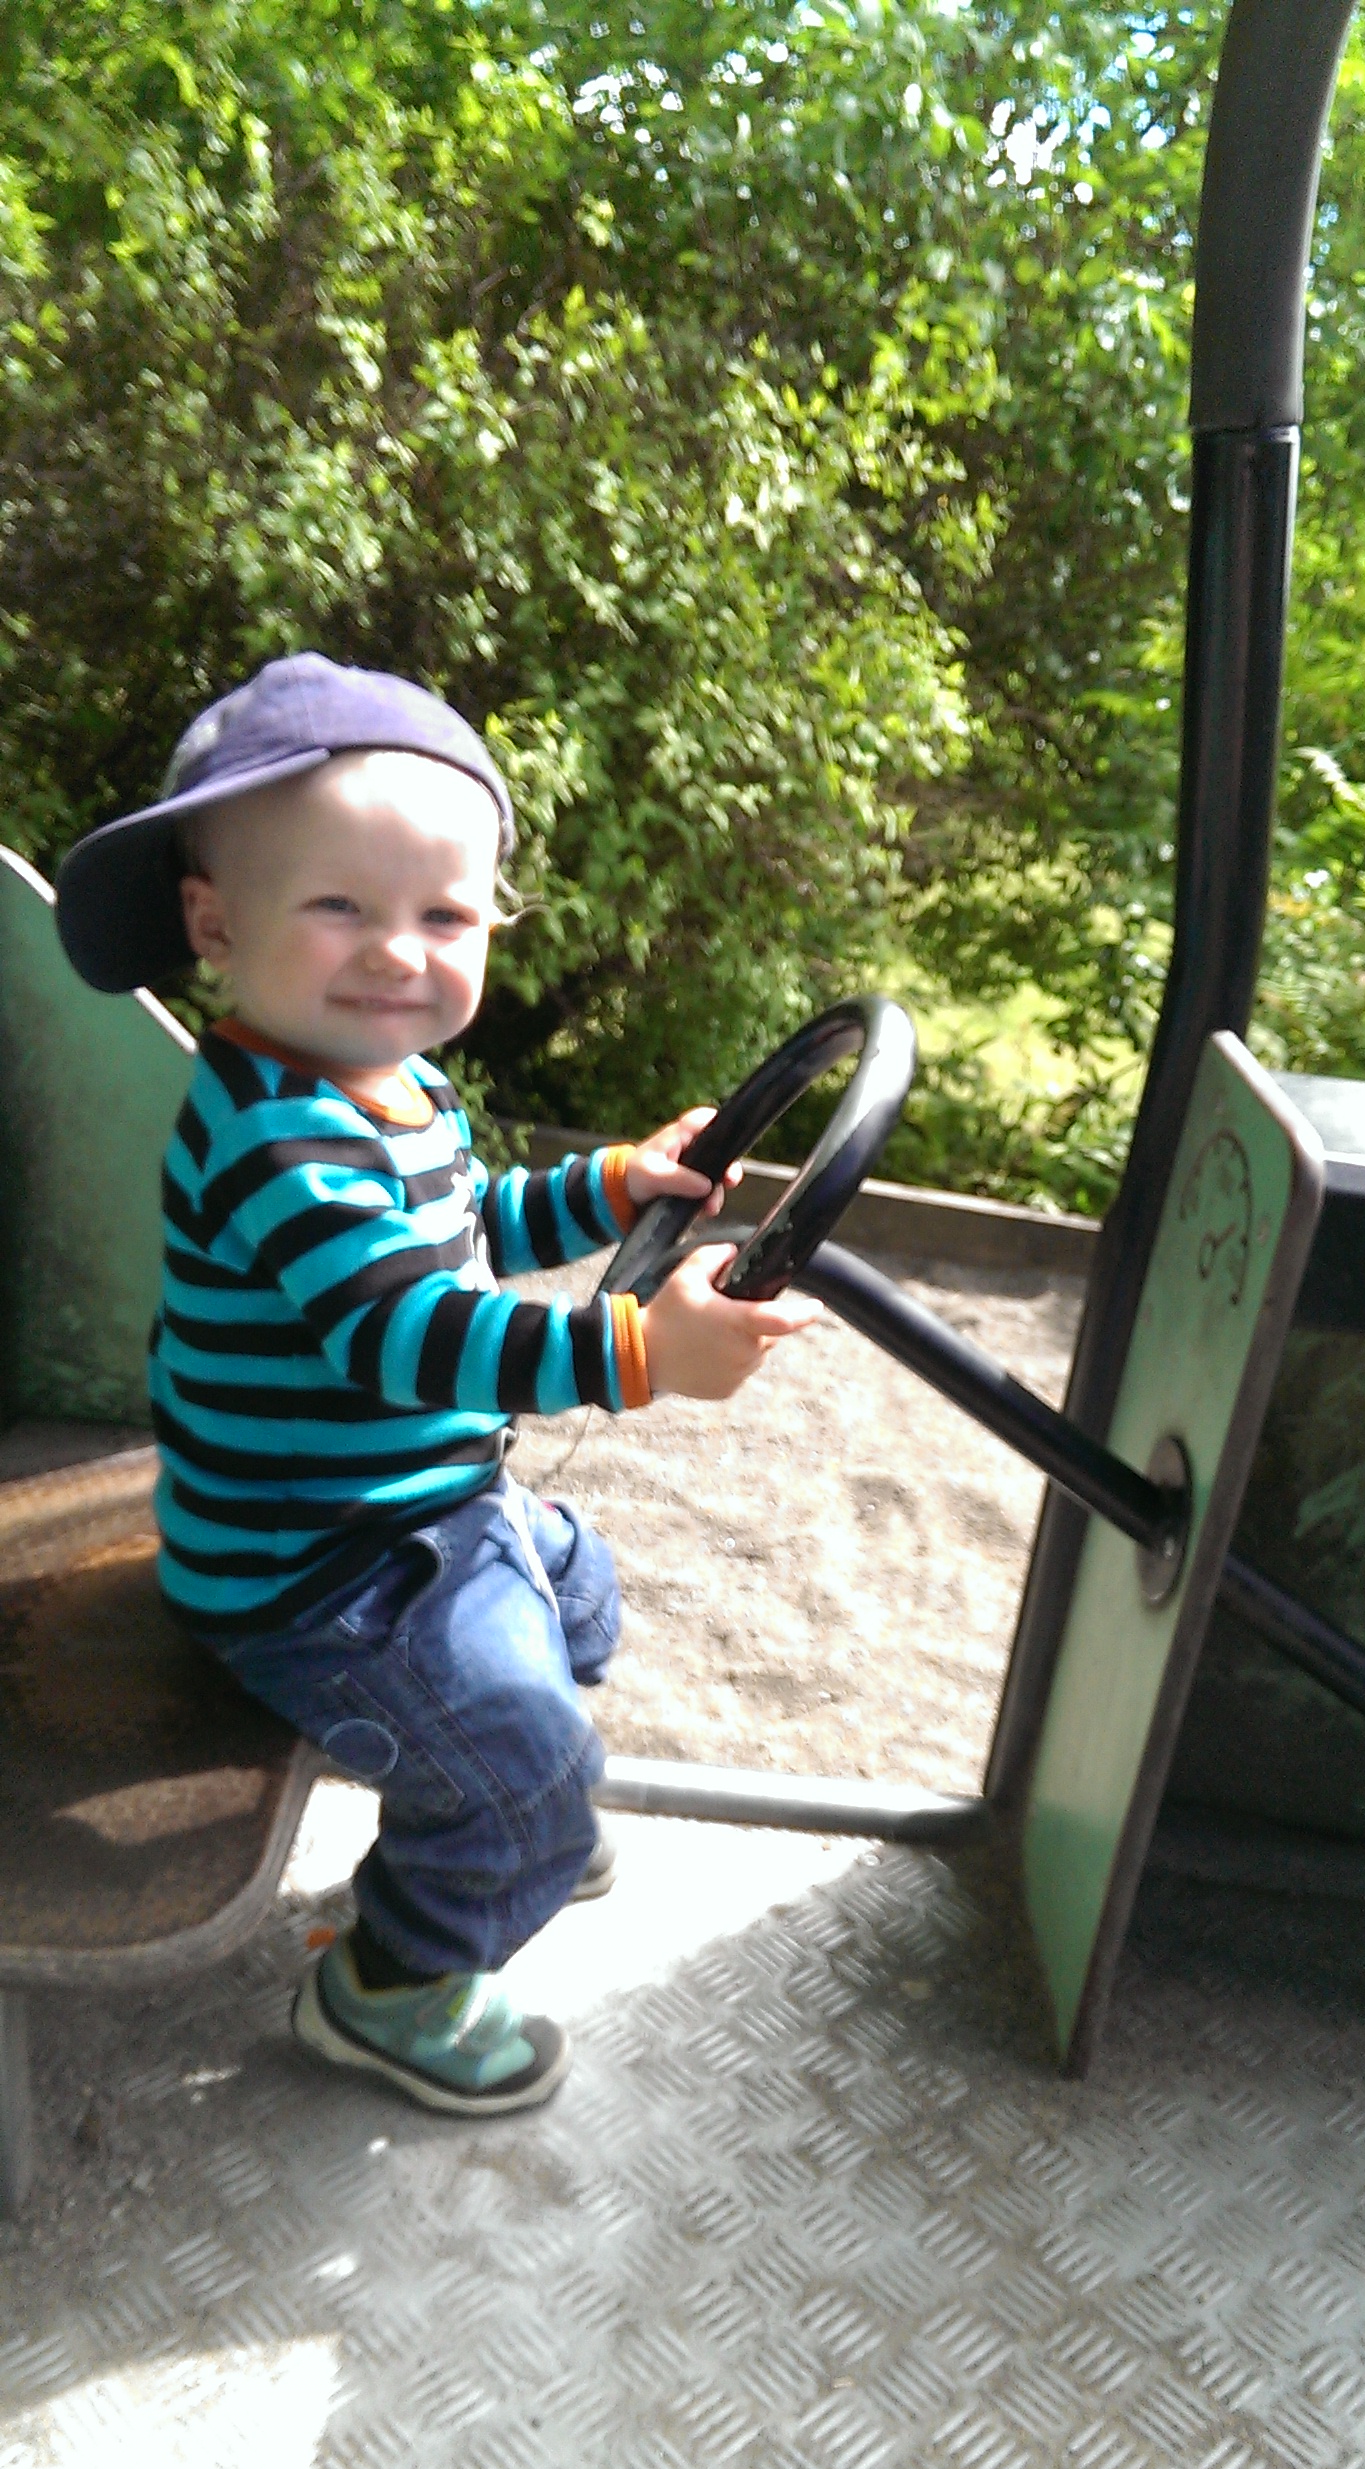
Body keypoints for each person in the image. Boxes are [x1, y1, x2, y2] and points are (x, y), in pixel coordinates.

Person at [55, 653, 817, 2116]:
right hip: (309, 1565)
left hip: (411, 1513)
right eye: (341, 907)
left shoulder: (391, 1078)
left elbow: (464, 1230)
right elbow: (399, 1333)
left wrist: (612, 1188)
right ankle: (391, 1981)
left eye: (444, 917)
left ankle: (493, 1806)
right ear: (215, 923)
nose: (398, 953)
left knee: (579, 1590)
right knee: (533, 1757)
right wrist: (639, 1354)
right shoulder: (273, 1132)